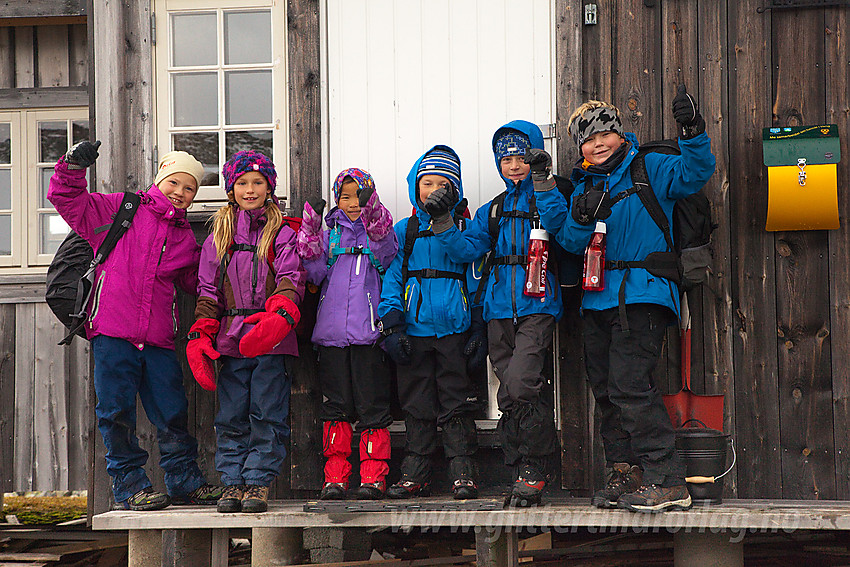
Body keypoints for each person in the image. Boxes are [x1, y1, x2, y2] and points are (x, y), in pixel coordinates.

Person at [528, 86, 716, 512]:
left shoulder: (650, 166)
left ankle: (667, 479)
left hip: (644, 293)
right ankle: (624, 472)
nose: (598, 144)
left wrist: (692, 129)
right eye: (588, 139)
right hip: (597, 300)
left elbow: (695, 172)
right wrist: (551, 191)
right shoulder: (584, 187)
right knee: (606, 390)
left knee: (631, 385)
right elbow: (573, 241)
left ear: (619, 133)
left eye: (604, 134)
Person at [48, 144, 222, 511]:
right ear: (160, 179)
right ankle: (129, 486)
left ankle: (184, 481)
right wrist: (72, 166)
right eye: (174, 182)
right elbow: (68, 199)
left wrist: (226, 256)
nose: (180, 192)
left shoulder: (183, 236)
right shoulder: (120, 209)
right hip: (113, 333)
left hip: (158, 339)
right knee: (116, 412)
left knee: (173, 411)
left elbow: (193, 279)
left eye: (189, 188)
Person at [420, 122, 563, 507]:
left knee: (521, 383)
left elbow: (560, 227)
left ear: (533, 155)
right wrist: (444, 221)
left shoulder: (548, 195)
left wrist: (544, 180)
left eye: (521, 157)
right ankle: (520, 470)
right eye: (506, 159)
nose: (513, 166)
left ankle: (535, 466)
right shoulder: (493, 209)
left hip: (537, 306)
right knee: (509, 394)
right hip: (499, 308)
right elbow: (466, 250)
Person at [187, 150, 305, 513]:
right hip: (232, 340)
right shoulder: (218, 237)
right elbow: (208, 291)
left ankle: (257, 483)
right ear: (231, 188)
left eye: (258, 182)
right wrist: (201, 333)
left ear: (269, 188)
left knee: (267, 412)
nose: (250, 189)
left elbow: (291, 279)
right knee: (231, 415)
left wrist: (279, 318)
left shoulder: (282, 232)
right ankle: (232, 482)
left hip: (272, 338)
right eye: (242, 183)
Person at [378, 146, 481, 500]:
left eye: (443, 183)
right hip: (415, 330)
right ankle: (416, 470)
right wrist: (392, 324)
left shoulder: (466, 227)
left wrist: (478, 326)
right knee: (416, 401)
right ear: (415, 186)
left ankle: (462, 470)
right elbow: (392, 277)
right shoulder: (405, 231)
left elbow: (472, 269)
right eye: (427, 183)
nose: (433, 190)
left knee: (455, 401)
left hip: (454, 329)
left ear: (455, 189)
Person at [296, 168, 398, 500]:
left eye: (359, 196)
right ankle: (335, 477)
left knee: (372, 407)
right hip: (331, 337)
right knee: (335, 408)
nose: (352, 203)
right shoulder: (331, 237)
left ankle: (373, 476)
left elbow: (387, 252)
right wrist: (310, 230)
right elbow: (311, 272)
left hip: (368, 336)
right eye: (345, 196)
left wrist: (374, 214)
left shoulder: (381, 233)